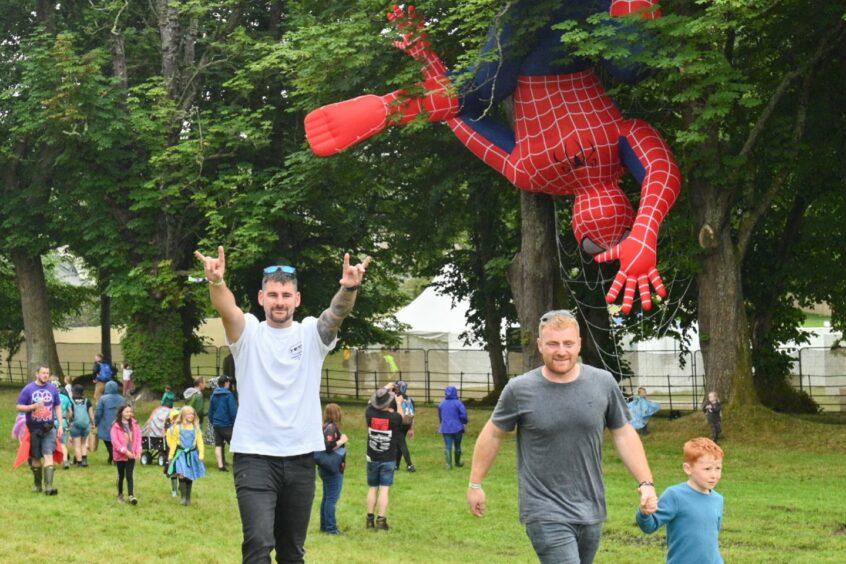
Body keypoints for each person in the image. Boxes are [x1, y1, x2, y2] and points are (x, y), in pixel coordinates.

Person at [195, 245, 370, 563]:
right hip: (255, 459)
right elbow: (228, 311)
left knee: (292, 552)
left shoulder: (310, 336)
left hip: (301, 459)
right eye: (273, 295)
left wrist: (348, 287)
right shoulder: (248, 333)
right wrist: (217, 282)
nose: (279, 301)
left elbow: (336, 314)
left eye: (286, 295)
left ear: (297, 300)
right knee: (258, 545)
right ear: (262, 299)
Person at [466, 310, 658, 563]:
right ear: (540, 345)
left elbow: (623, 434)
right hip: (544, 510)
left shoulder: (602, 383)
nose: (561, 351)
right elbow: (493, 434)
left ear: (579, 343)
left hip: (591, 508)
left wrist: (646, 484)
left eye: (568, 343)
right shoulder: (520, 389)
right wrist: (475, 484)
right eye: (553, 344)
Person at [636, 438, 725, 563]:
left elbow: (710, 541)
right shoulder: (674, 495)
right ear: (688, 468)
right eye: (707, 469)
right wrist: (644, 512)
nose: (714, 475)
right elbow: (650, 526)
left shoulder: (718, 500)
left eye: (718, 468)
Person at [365, 387, 410, 531]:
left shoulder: (369, 413)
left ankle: (369, 519)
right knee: (384, 489)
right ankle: (381, 520)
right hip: (388, 458)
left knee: (373, 488)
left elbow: (370, 402)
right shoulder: (394, 418)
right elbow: (402, 417)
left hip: (372, 456)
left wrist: (384, 388)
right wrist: (398, 403)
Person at [16, 366, 64, 494]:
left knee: (48, 455)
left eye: (47, 373)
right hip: (34, 429)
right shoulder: (28, 389)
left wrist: (60, 424)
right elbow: (19, 407)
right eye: (43, 373)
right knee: (36, 458)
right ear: (37, 374)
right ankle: (38, 486)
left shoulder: (53, 388)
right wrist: (33, 406)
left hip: (49, 428)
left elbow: (58, 406)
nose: (45, 375)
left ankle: (48, 487)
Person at [314, 403, 349, 535]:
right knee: (331, 499)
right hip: (332, 468)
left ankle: (324, 526)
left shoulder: (323, 427)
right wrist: (341, 441)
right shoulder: (331, 428)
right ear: (337, 414)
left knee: (327, 497)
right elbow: (328, 446)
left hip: (325, 467)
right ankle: (331, 528)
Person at [166, 405, 206, 506]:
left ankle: (188, 498)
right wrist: (171, 456)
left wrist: (201, 454)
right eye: (189, 414)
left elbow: (200, 442)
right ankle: (183, 497)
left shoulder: (196, 428)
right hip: (181, 454)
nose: (191, 416)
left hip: (192, 454)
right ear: (183, 415)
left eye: (192, 414)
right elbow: (174, 443)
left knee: (189, 476)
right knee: (182, 474)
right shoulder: (177, 428)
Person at [110, 405, 142, 504]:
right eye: (126, 412)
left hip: (131, 455)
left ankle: (131, 495)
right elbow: (115, 442)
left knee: (129, 475)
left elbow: (138, 439)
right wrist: (125, 451)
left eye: (130, 412)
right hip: (121, 456)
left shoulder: (135, 424)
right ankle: (120, 494)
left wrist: (138, 451)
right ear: (121, 413)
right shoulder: (115, 426)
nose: (129, 414)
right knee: (121, 475)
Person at [208, 374, 238, 471]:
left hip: (217, 424)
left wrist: (213, 421)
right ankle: (238, 464)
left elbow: (210, 411)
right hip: (227, 425)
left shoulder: (214, 394)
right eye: (228, 382)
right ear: (226, 383)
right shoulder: (229, 395)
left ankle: (221, 466)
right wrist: (235, 423)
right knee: (235, 444)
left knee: (218, 444)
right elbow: (233, 411)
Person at [95, 381, 126, 465]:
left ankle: (113, 456)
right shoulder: (122, 399)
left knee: (108, 441)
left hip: (106, 424)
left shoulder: (103, 399)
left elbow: (98, 412)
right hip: (119, 424)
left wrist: (95, 422)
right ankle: (113, 457)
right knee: (117, 440)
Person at [438, 385, 468, 469]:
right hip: (457, 427)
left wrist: (442, 423)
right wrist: (464, 422)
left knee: (447, 446)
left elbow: (440, 416)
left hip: (445, 427)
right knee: (457, 445)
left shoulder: (441, 403)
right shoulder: (458, 403)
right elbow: (464, 415)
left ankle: (448, 464)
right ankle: (457, 463)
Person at [393, 380, 416, 473]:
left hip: (399, 423)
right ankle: (396, 465)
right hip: (407, 423)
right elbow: (413, 414)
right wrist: (411, 428)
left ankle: (410, 465)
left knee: (402, 444)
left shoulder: (397, 398)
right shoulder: (410, 399)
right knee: (399, 445)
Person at [69, 384, 94, 467]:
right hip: (85, 425)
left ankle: (79, 462)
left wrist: (69, 421)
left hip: (75, 424)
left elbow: (70, 414)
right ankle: (84, 460)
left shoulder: (71, 401)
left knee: (77, 445)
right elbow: (91, 414)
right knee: (83, 443)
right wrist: (93, 423)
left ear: (74, 392)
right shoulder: (87, 401)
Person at [53, 376, 73, 469]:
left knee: (50, 443)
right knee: (62, 443)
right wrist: (67, 419)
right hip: (63, 423)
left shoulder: (48, 397)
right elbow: (70, 412)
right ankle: (65, 461)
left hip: (51, 423)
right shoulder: (65, 397)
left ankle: (51, 464)